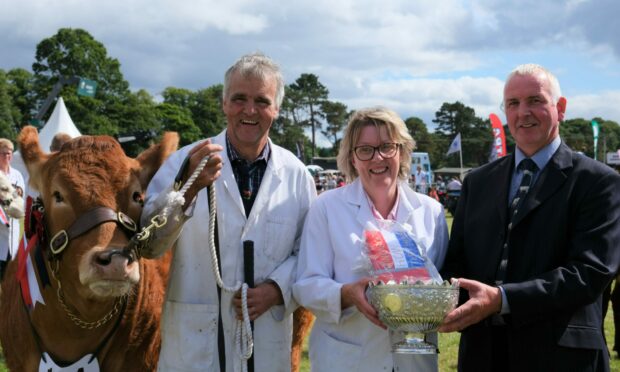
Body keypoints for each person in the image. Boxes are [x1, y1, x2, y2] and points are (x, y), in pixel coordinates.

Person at [141, 52, 316, 372]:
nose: (249, 110)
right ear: (224, 103)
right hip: (195, 346)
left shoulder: (296, 175)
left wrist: (277, 289)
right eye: (239, 99)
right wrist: (187, 187)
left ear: (276, 109)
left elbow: (309, 253)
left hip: (265, 343)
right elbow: (148, 245)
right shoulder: (185, 162)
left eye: (262, 101)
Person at [439, 64, 620, 371]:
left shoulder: (598, 182)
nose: (523, 112)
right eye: (513, 103)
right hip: (483, 355)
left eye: (535, 100)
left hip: (562, 358)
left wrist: (502, 299)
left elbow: (590, 272)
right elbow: (457, 264)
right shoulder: (478, 182)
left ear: (560, 108)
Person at [293, 107, 448, 371]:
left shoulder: (431, 212)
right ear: (352, 159)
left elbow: (440, 280)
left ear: (402, 151)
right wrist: (346, 294)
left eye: (387, 146)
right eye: (365, 150)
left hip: (414, 358)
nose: (378, 158)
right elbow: (306, 285)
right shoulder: (327, 208)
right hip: (349, 358)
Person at [0, 139, 25, 279]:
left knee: (11, 275)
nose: (7, 157)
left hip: (14, 229)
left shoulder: (17, 175)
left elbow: (20, 199)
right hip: (0, 229)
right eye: (4, 154)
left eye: (9, 154)